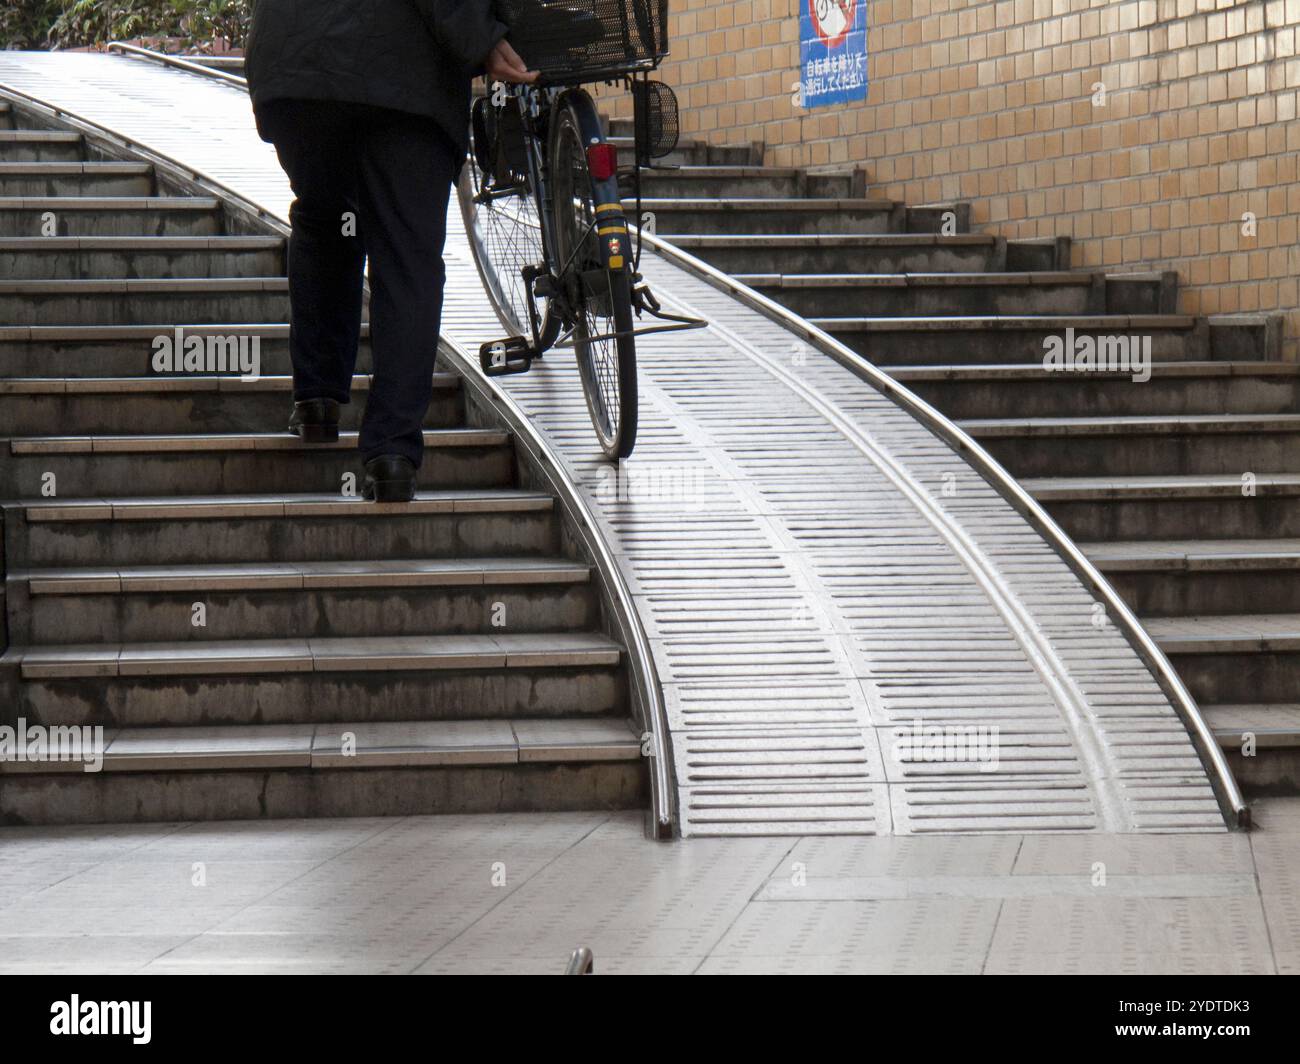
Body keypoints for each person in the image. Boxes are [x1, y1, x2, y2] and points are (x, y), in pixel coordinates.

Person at [245, 1, 536, 501]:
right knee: (406, 255)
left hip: (298, 69)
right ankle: (392, 453)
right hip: (404, 76)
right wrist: (482, 38)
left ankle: (316, 399)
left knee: (324, 218)